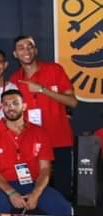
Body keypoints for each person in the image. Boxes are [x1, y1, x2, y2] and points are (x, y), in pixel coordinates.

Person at [0, 89, 72, 216]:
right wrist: (11, 193)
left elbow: (45, 169)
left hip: (33, 184)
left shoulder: (40, 132)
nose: (10, 107)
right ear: (2, 107)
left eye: (15, 103)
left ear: (24, 106)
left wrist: (36, 193)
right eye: (6, 104)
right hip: (1, 185)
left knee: (63, 208)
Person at [9, 34, 77, 199]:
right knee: (35, 194)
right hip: (32, 146)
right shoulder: (14, 80)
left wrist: (42, 90)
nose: (26, 51)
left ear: (36, 50)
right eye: (21, 48)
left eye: (30, 46)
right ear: (15, 54)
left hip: (59, 140)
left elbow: (72, 102)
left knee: (62, 193)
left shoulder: (54, 70)